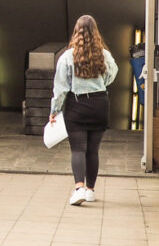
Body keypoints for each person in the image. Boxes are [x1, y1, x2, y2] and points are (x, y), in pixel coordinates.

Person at [49, 15, 118, 206]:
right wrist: (100, 84)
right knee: (93, 151)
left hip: (77, 105)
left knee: (78, 149)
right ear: (96, 32)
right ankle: (90, 191)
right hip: (99, 104)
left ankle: (78, 188)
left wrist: (54, 110)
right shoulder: (104, 55)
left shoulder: (67, 56)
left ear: (76, 32)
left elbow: (61, 87)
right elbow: (113, 73)